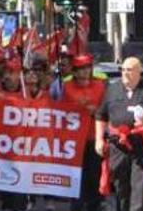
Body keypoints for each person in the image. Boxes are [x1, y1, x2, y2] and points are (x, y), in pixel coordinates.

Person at [95, 57, 143, 211]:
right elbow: (100, 116)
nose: (125, 73)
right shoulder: (112, 90)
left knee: (139, 186)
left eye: (129, 70)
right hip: (118, 145)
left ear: (138, 71)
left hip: (139, 144)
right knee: (120, 185)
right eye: (123, 70)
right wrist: (99, 140)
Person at [63, 54, 106, 211]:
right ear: (74, 71)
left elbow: (105, 108)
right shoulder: (66, 87)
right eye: (80, 69)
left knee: (94, 172)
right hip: (74, 139)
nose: (84, 71)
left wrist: (95, 111)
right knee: (77, 173)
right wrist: (77, 108)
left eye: (87, 67)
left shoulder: (100, 86)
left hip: (94, 136)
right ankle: (77, 202)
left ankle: (95, 202)